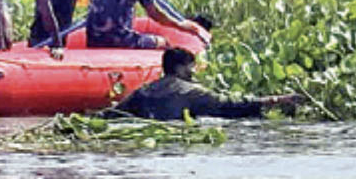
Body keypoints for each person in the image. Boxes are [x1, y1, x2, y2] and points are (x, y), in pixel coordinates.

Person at [109, 48, 302, 120]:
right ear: (180, 68)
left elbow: (113, 113)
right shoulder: (190, 91)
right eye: (191, 67)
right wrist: (277, 100)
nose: (193, 72)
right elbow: (232, 104)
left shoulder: (145, 90)